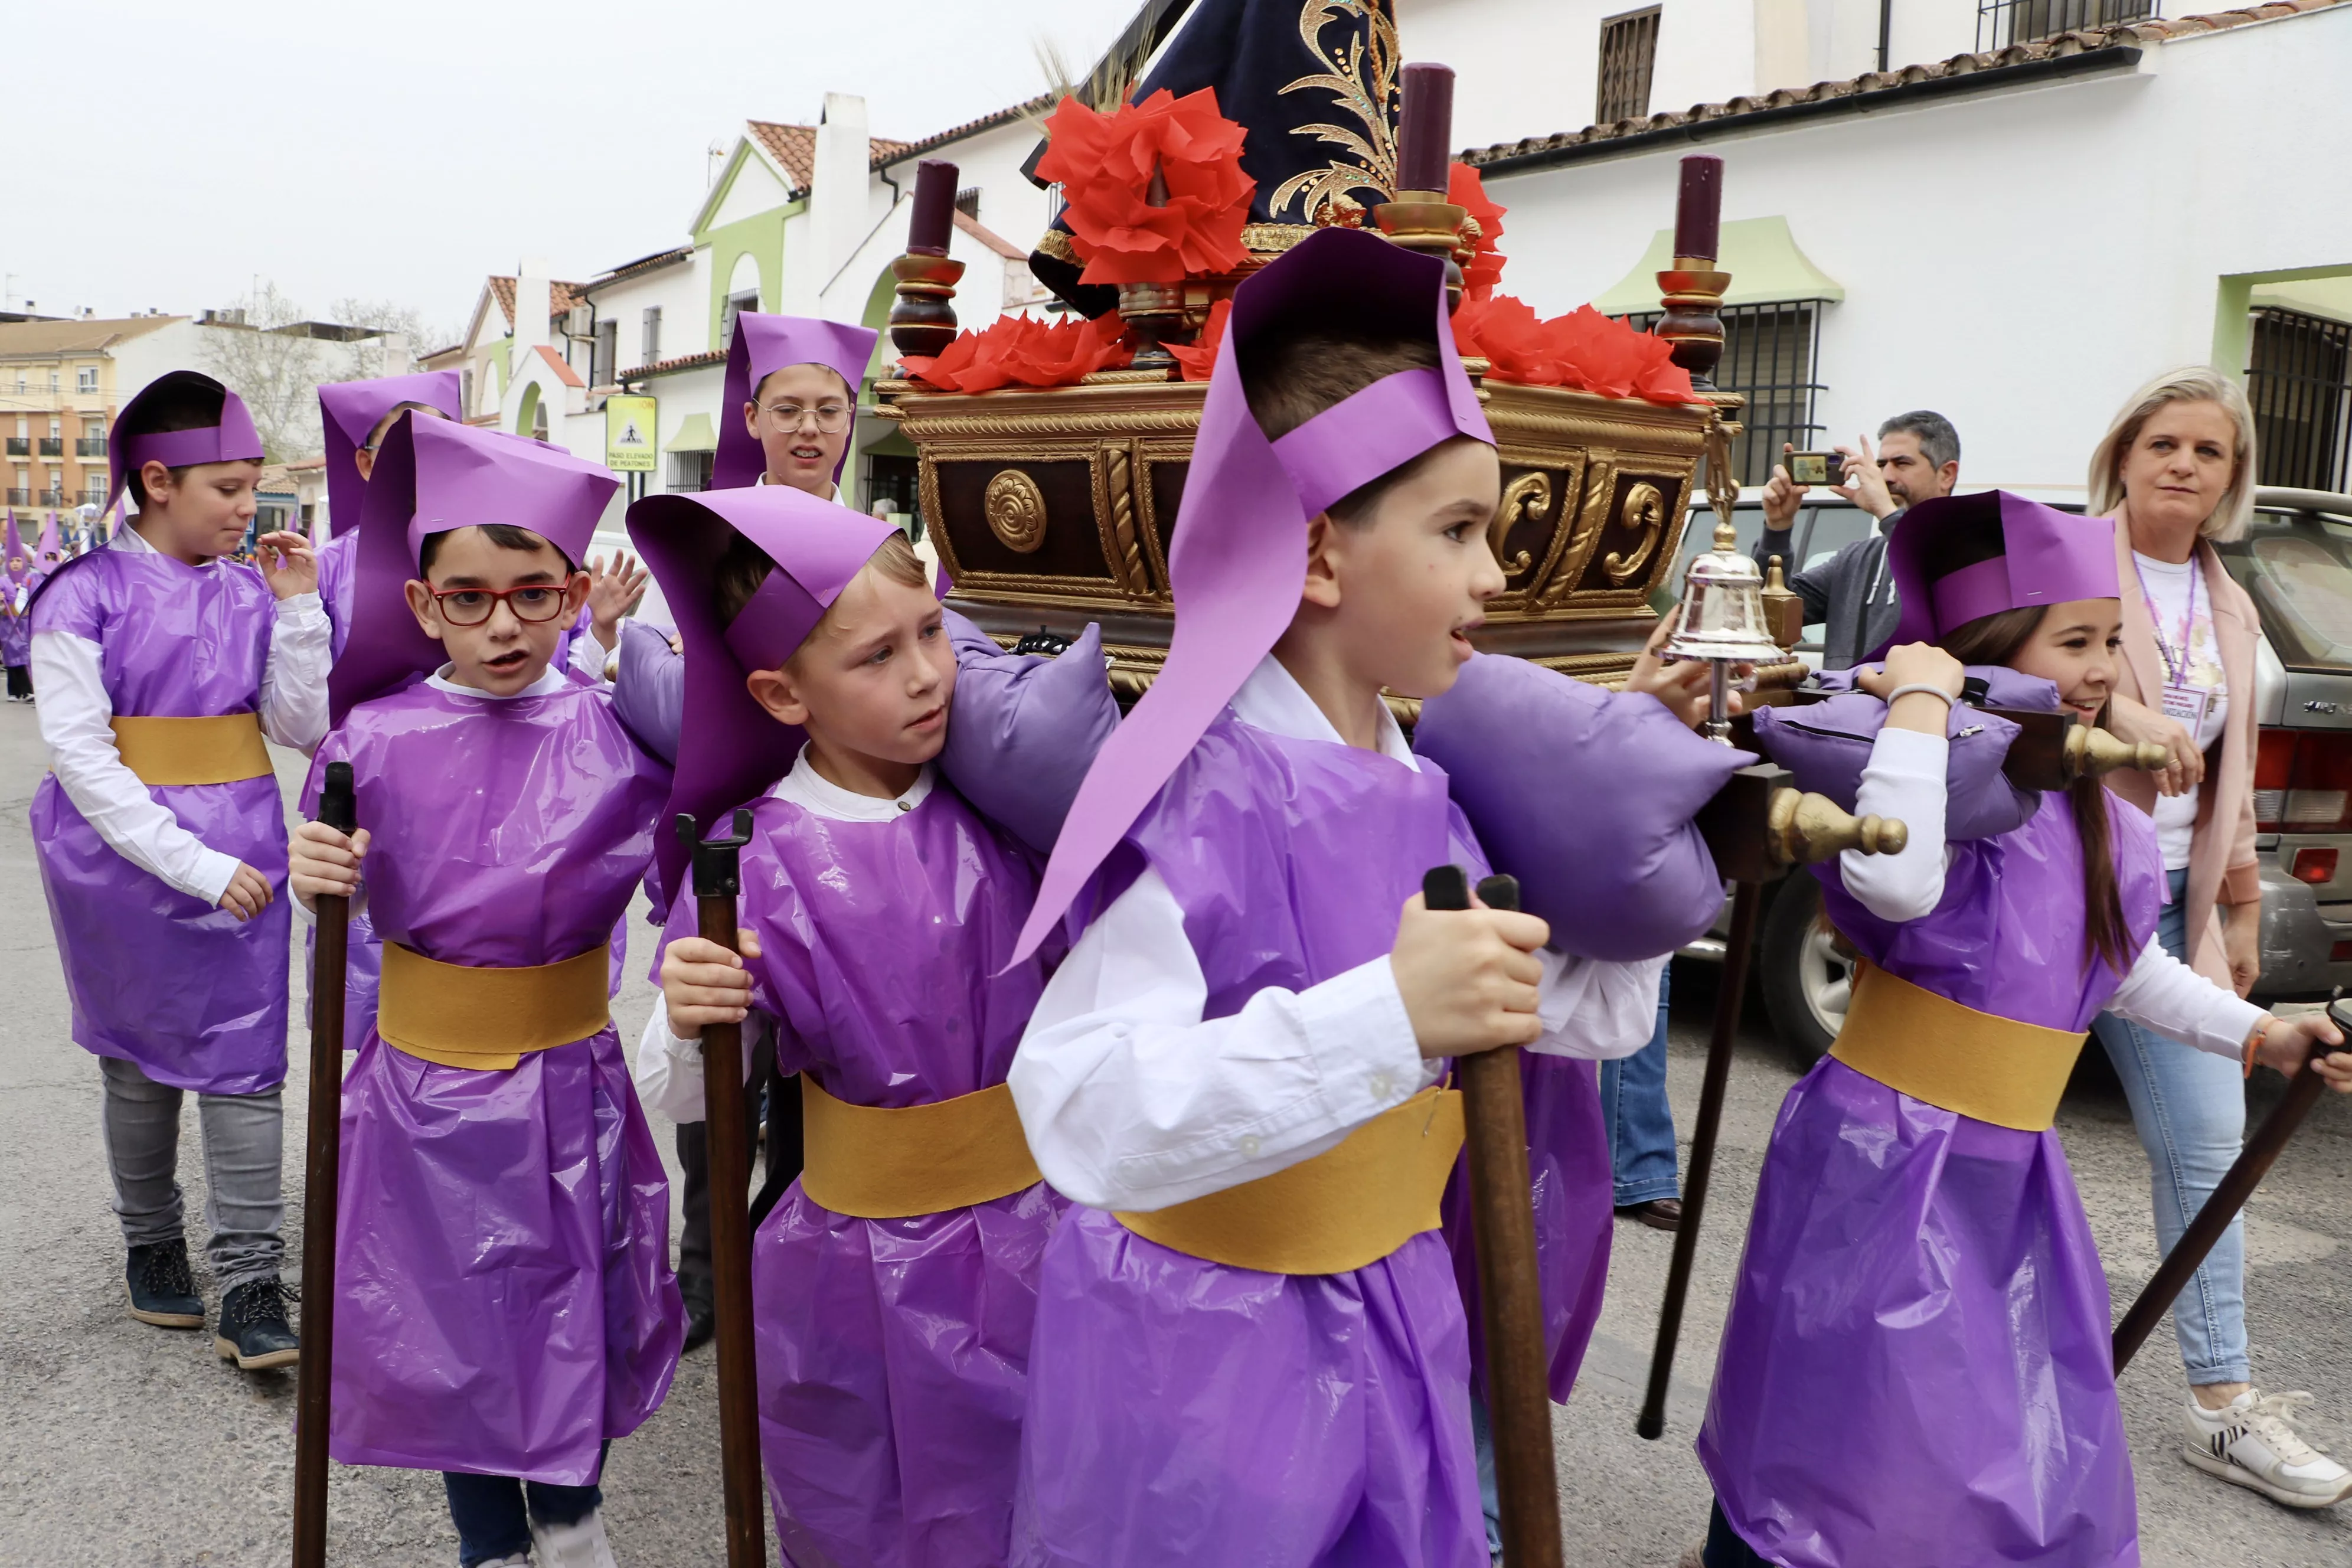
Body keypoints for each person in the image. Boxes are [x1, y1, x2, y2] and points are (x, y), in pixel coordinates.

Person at [1001, 227, 1736, 1566]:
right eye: (1460, 530)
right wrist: (1387, 1016)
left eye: (1495, 531)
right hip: (1205, 1368)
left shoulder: (1424, 788)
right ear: (1322, 554)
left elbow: (1543, 1020)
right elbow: (1085, 1108)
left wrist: (1646, 902)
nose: (1495, 575)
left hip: (1395, 1320)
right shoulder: (1197, 788)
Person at [1692, 489, 2352, 1568]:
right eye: (2076, 641)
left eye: (2111, 639)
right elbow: (1895, 884)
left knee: (1994, 1442)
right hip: (1881, 1156)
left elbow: (2114, 961)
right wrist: (1918, 707)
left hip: (2008, 1172)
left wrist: (2253, 1035)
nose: (2103, 668)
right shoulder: (1932, 788)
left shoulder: (2092, 806)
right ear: (1987, 654)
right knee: (1827, 1414)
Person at [633, 485, 1066, 1566]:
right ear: (784, 695)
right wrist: (689, 1018)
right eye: (874, 657)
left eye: (932, 633)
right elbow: (690, 1095)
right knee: (862, 1509)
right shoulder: (756, 859)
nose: (925, 674)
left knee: (1041, 1507)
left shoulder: (1008, 815)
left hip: (1041, 1235)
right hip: (850, 1263)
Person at [288, 413, 679, 1568]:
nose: (502, 622)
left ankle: (570, 1521)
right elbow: (336, 894)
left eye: (529, 592)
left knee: (572, 1310)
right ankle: (488, 1543)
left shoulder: (614, 737)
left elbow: (704, 859)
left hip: (569, 1087)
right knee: (454, 1329)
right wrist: (321, 871)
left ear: (571, 594)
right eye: (469, 596)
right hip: (425, 1102)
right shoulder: (372, 744)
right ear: (424, 604)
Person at [2081, 366, 2351, 1507]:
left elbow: (2232, 781)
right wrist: (2108, 708)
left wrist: (2237, 906)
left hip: (2166, 914)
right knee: (1974, 1150)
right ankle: (1940, 1385)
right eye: (2164, 443)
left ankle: (2219, 1407)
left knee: (2207, 1153)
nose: (2185, 465)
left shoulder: (2229, 602)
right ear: (2124, 453)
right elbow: (1983, 677)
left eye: (2208, 451)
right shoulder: (2062, 560)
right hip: (2050, 901)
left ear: (2229, 478)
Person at [28, 370, 325, 1368]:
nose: (250, 510)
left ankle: (250, 1275)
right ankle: (151, 1242)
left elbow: (302, 726)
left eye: (252, 489)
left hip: (242, 843)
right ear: (157, 481)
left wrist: (297, 612)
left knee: (248, 1061)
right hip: (119, 859)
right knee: (139, 1061)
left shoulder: (250, 589)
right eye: (230, 489)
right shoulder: (82, 595)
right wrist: (189, 861)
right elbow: (80, 756)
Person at [1750, 411, 1962, 670]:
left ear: (1947, 475)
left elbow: (1934, 574)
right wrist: (1778, 528)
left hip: (1918, 710)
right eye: (1882, 465)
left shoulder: (1972, 550)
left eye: (1902, 464)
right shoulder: (1857, 558)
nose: (1887, 477)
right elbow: (1766, 611)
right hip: (1842, 707)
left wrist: (1886, 512)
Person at [3, 514, 33, 700]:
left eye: (18, 561)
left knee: (25, 655)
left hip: (25, 621)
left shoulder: (29, 579)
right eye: (12, 561)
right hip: (7, 623)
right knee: (11, 656)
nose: (15, 564)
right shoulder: (3, 580)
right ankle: (14, 691)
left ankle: (28, 690)